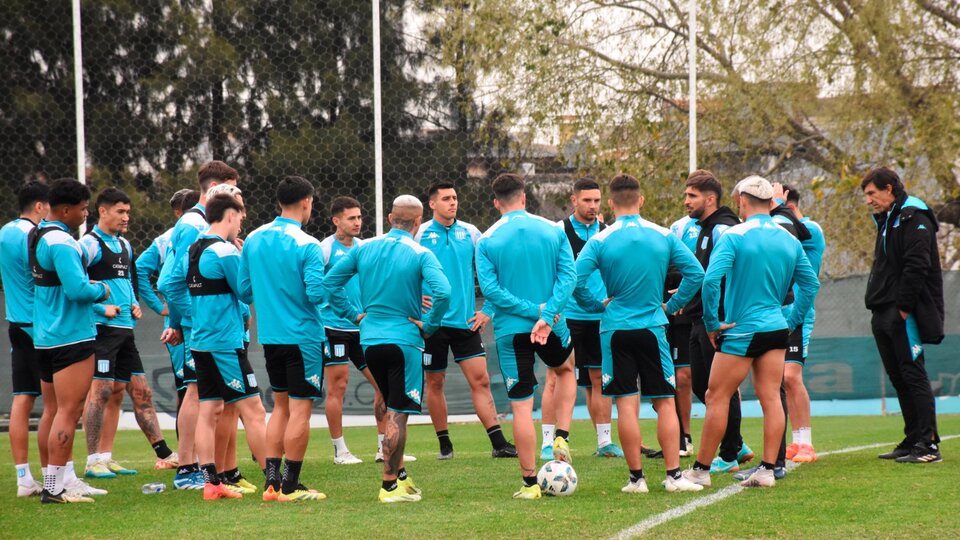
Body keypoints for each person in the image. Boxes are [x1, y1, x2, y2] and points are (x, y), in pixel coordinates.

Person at [572, 174, 705, 494]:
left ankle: (637, 480)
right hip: (652, 327)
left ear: (610, 204)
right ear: (641, 200)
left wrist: (596, 306)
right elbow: (696, 273)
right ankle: (673, 476)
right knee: (664, 402)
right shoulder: (664, 235)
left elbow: (574, 280)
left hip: (615, 329)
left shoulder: (600, 240)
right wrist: (672, 305)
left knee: (626, 405)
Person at [682, 175, 818, 489]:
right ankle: (768, 469)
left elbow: (711, 281)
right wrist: (793, 320)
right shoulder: (788, 238)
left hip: (741, 330)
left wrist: (712, 323)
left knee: (716, 396)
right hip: (776, 327)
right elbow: (811, 284)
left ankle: (701, 470)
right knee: (770, 397)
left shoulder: (735, 235)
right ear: (770, 201)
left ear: (742, 200)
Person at [323, 195, 451, 503]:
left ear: (391, 217)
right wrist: (430, 325)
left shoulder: (364, 248)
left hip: (369, 341)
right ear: (418, 221)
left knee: (387, 399)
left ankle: (401, 476)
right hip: (403, 341)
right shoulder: (420, 253)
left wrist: (353, 314)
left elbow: (329, 283)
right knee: (399, 413)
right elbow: (443, 292)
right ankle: (389, 486)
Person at [475, 173, 578, 500]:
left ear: (496, 202)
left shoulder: (486, 240)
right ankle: (561, 435)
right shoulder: (553, 229)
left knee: (521, 408)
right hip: (552, 324)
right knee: (566, 369)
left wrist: (533, 311)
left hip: (511, 331)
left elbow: (491, 291)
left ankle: (530, 483)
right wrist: (545, 315)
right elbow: (569, 277)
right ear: (524, 197)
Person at [237, 176, 328, 501]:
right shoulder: (308, 244)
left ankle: (272, 483)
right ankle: (290, 486)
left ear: (279, 202)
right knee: (301, 410)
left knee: (280, 408)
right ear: (306, 202)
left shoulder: (253, 239)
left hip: (271, 338)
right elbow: (316, 293)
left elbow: (244, 291)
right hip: (304, 338)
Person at [416, 181, 517, 460]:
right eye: (446, 198)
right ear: (432, 204)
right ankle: (445, 445)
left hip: (466, 322)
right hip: (432, 324)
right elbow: (403, 270)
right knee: (435, 382)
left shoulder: (471, 233)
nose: (453, 202)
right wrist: (414, 298)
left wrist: (488, 310)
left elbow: (492, 271)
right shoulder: (419, 234)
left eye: (455, 197)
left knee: (481, 380)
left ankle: (498, 443)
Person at [80, 188, 175, 479]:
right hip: (101, 331)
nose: (126, 217)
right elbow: (73, 287)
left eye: (128, 212)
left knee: (138, 391)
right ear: (103, 211)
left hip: (125, 331)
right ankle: (92, 461)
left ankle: (111, 457)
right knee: (101, 391)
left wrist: (133, 303)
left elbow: (129, 282)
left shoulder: (124, 245)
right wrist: (100, 309)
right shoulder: (88, 244)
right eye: (120, 212)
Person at [158, 160, 239, 490]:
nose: (236, 200)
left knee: (212, 398)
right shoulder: (195, 224)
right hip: (205, 327)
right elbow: (170, 280)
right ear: (216, 188)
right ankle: (187, 467)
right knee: (195, 393)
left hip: (207, 325)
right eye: (232, 190)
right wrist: (191, 317)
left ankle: (218, 470)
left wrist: (179, 320)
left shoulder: (199, 222)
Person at [31, 178, 112, 504]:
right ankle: (53, 488)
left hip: (45, 335)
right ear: (66, 210)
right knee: (68, 411)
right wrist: (102, 289)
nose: (85, 214)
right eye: (83, 208)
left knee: (52, 411)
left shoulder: (38, 234)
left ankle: (61, 480)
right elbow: (77, 290)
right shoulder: (62, 242)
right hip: (70, 337)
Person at [187, 193, 268, 501]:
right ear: (230, 215)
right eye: (241, 217)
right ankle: (276, 482)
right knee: (254, 410)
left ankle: (211, 483)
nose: (241, 224)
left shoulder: (195, 248)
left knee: (209, 409)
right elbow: (246, 292)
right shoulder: (224, 250)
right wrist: (246, 258)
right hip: (224, 343)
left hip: (201, 341)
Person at [861, 167, 943, 463]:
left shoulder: (914, 216)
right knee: (898, 377)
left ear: (889, 189)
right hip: (882, 309)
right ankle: (913, 438)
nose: (868, 200)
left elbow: (917, 265)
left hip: (901, 312)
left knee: (913, 374)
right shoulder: (888, 218)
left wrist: (904, 308)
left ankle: (929, 444)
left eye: (872, 193)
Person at [539, 177, 622, 460]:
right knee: (556, 376)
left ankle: (604, 442)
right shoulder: (557, 232)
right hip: (566, 317)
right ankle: (548, 443)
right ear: (574, 200)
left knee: (599, 378)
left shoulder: (609, 233)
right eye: (587, 200)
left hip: (600, 317)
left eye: (597, 200)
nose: (592, 206)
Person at [318, 197, 402, 465]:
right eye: (351, 218)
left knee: (382, 385)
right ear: (336, 221)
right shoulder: (325, 249)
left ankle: (382, 447)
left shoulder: (364, 248)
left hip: (363, 327)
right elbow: (319, 287)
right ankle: (340, 450)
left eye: (359, 217)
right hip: (333, 327)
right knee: (338, 386)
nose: (357, 222)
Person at [679, 170, 753, 474]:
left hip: (719, 321)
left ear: (710, 199)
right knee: (703, 386)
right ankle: (738, 444)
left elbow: (724, 277)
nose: (686, 201)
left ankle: (730, 452)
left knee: (721, 389)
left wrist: (718, 316)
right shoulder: (705, 228)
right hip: (700, 318)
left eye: (692, 196)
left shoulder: (724, 229)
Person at [136, 188, 198, 472]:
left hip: (194, 321)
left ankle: (199, 458)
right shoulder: (169, 238)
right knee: (188, 390)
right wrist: (159, 307)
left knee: (199, 391)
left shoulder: (190, 233)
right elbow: (140, 268)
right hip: (181, 324)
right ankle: (188, 460)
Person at [0, 181, 49, 497]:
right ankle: (56, 475)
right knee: (57, 404)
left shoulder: (4, 232)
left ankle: (23, 478)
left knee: (22, 398)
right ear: (40, 206)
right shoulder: (35, 235)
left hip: (15, 323)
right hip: (40, 326)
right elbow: (45, 277)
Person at [771, 184, 825, 464]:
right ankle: (795, 441)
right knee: (781, 379)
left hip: (798, 312)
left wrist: (777, 207)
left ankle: (806, 442)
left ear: (788, 206)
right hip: (777, 311)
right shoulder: (779, 227)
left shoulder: (810, 229)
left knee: (792, 376)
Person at [667, 209, 699, 457]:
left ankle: (733, 439)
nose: (688, 201)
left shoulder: (722, 229)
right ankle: (683, 435)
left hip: (702, 314)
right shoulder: (676, 228)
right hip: (676, 318)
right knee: (680, 376)